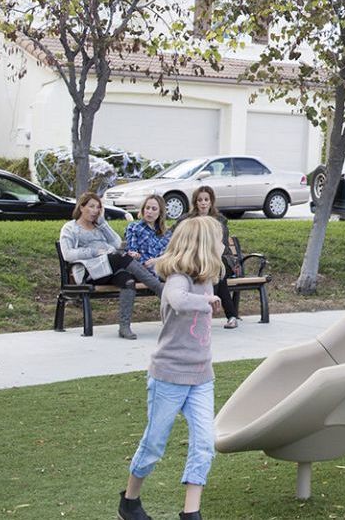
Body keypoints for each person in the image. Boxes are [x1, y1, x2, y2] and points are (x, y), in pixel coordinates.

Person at [118, 217, 223, 520]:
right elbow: (177, 299)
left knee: (204, 444)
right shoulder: (179, 278)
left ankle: (191, 513)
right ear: (203, 243)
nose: (222, 244)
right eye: (217, 238)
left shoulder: (206, 278)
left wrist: (209, 296)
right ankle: (130, 501)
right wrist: (207, 302)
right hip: (169, 376)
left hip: (202, 377)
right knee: (154, 445)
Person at [61, 193, 165, 339]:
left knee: (127, 281)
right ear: (81, 207)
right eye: (91, 206)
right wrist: (95, 252)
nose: (95, 210)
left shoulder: (99, 226)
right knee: (118, 257)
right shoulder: (70, 228)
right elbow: (68, 254)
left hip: (107, 269)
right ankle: (159, 288)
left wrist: (103, 224)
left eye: (98, 207)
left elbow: (117, 243)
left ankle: (124, 327)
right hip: (88, 272)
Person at [184, 186, 242, 329]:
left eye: (206, 200)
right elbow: (176, 237)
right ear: (195, 202)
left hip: (222, 260)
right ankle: (231, 316)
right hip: (198, 262)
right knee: (216, 276)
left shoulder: (220, 221)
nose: (203, 203)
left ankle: (205, 314)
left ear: (211, 202)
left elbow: (221, 247)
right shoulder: (188, 220)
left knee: (216, 270)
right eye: (200, 200)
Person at [123, 195, 169, 269]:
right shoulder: (134, 227)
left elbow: (171, 255)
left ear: (160, 212)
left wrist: (156, 261)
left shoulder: (166, 233)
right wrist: (136, 256)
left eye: (154, 209)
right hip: (142, 269)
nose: (149, 211)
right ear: (143, 209)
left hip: (162, 269)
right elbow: (132, 250)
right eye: (147, 208)